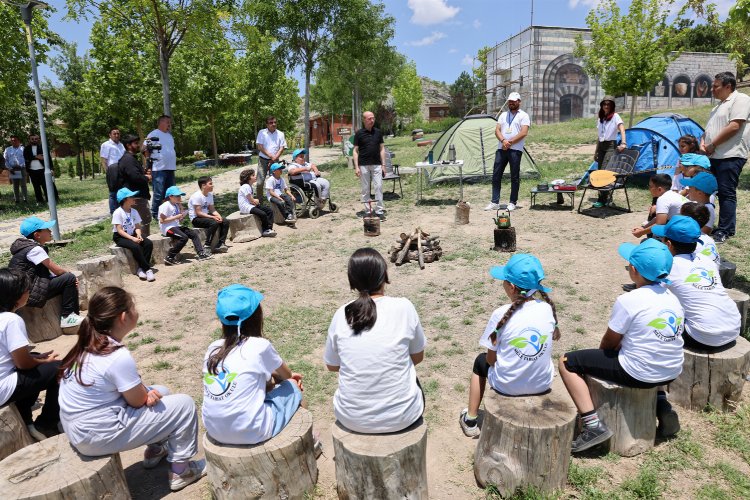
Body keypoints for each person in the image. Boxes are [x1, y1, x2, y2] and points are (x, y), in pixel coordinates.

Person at [58, 287, 205, 492]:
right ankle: (181, 471)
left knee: (162, 390)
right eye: (133, 307)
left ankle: (156, 448)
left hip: (80, 428)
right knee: (185, 405)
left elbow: (132, 393)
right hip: (96, 435)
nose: (137, 310)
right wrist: (145, 396)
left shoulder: (88, 343)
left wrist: (147, 394)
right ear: (124, 317)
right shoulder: (116, 355)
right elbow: (137, 401)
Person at [559, 239, 684, 452]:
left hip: (638, 373)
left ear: (633, 269)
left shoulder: (629, 300)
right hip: (672, 371)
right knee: (654, 347)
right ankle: (662, 403)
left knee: (566, 362)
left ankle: (592, 425)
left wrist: (600, 361)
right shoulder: (673, 298)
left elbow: (609, 341)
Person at [324, 248, 426, 433]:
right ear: (384, 274)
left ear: (352, 280)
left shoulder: (341, 314)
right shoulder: (404, 307)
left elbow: (332, 366)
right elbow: (418, 357)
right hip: (403, 416)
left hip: (351, 417)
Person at [459, 254, 560, 438]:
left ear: (512, 287)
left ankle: (470, 418)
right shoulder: (547, 309)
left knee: (480, 362)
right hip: (543, 383)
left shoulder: (500, 314)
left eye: (504, 281)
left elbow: (490, 359)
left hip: (507, 386)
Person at [202, 285, 306, 445]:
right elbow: (287, 376)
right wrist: (288, 379)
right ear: (256, 316)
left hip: (214, 429)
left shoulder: (213, 348)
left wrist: (272, 379)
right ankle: (309, 441)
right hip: (252, 431)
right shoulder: (260, 345)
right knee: (293, 386)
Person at [651, 216, 740, 352]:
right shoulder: (707, 260)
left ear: (668, 244)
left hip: (703, 337)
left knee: (655, 319)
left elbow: (657, 299)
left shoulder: (669, 267)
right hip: (733, 328)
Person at [0, 268, 62, 441]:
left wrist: (36, 358)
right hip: (2, 388)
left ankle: (26, 419)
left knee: (35, 356)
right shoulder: (11, 320)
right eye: (27, 290)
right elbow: (23, 364)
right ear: (17, 295)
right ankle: (47, 423)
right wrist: (43, 361)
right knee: (62, 367)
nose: (29, 292)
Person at [700, 72, 750, 242]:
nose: (712, 89)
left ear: (728, 86)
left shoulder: (740, 99)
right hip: (714, 155)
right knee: (708, 190)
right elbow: (709, 129)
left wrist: (712, 145)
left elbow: (735, 126)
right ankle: (706, 224)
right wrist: (703, 142)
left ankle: (725, 230)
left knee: (726, 193)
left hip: (730, 155)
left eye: (716, 86)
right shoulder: (718, 106)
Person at [9, 217, 84, 328]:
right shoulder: (35, 249)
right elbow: (57, 270)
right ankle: (68, 317)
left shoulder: (26, 247)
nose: (50, 231)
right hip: (28, 294)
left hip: (26, 289)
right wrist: (70, 276)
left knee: (67, 279)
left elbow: (44, 273)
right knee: (69, 278)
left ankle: (71, 315)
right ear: (37, 235)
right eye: (46, 229)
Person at [485, 92, 530, 212]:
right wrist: (503, 141)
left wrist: (509, 143)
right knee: (496, 175)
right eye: (510, 101)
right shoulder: (503, 115)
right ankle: (495, 202)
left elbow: (523, 132)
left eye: (514, 101)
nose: (511, 103)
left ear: (519, 102)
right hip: (501, 148)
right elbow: (497, 130)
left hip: (515, 149)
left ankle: (512, 202)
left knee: (514, 176)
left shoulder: (524, 115)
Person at [159, 186, 211, 265]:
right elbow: (162, 221)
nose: (179, 197)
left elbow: (176, 217)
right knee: (184, 237)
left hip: (176, 226)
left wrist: (181, 214)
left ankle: (201, 253)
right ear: (170, 196)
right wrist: (177, 217)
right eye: (177, 196)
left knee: (193, 234)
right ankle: (169, 257)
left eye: (180, 196)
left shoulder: (176, 205)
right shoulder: (165, 205)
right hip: (167, 228)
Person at [591, 96, 627, 208]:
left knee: (605, 171)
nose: (606, 106)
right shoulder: (600, 118)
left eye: (608, 104)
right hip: (601, 146)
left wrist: (623, 143)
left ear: (612, 106)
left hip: (611, 145)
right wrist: (596, 151)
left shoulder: (615, 116)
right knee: (599, 171)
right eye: (604, 104)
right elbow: (599, 136)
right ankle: (605, 197)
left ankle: (603, 199)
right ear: (602, 105)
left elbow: (622, 129)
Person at [112, 188, 155, 281]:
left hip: (133, 233)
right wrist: (132, 238)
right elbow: (119, 230)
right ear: (125, 199)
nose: (134, 198)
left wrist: (139, 235)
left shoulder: (134, 211)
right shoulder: (117, 212)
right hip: (121, 237)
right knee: (136, 247)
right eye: (131, 196)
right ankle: (147, 269)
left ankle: (141, 268)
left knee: (148, 243)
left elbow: (138, 226)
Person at [353, 111, 386, 220]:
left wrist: (384, 165)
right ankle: (368, 210)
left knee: (379, 187)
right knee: (365, 189)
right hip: (363, 165)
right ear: (364, 120)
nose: (372, 120)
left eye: (373, 118)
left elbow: (382, 149)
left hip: (377, 164)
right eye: (369, 118)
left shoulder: (378, 132)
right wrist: (356, 167)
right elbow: (355, 151)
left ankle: (379, 210)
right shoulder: (359, 134)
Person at [631, 174, 686, 239]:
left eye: (650, 186)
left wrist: (641, 232)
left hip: (683, 233)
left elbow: (659, 224)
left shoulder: (663, 199)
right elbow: (658, 218)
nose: (649, 189)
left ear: (659, 189)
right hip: (687, 228)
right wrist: (643, 228)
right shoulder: (672, 195)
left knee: (652, 238)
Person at [118, 134, 152, 237]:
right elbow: (135, 177)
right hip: (136, 198)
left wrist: (144, 172)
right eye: (136, 143)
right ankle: (143, 249)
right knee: (142, 224)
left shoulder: (131, 158)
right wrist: (147, 178)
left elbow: (136, 174)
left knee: (144, 223)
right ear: (128, 145)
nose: (138, 145)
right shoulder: (128, 159)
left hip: (138, 196)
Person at [146, 115, 177, 220]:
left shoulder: (169, 135)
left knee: (170, 192)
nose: (169, 124)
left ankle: (168, 211)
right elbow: (144, 148)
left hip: (170, 168)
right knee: (159, 193)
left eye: (170, 122)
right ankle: (155, 213)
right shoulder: (154, 133)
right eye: (168, 122)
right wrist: (148, 163)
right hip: (159, 168)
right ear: (161, 122)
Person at [189, 176, 229, 253]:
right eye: (210, 184)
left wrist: (219, 216)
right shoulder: (196, 196)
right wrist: (213, 217)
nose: (212, 185)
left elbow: (212, 209)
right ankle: (207, 245)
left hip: (205, 216)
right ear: (203, 186)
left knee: (225, 221)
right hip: (196, 219)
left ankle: (221, 243)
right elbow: (198, 213)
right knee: (213, 223)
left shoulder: (209, 195)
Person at [255, 116, 287, 200]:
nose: (273, 124)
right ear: (267, 124)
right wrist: (271, 156)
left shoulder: (280, 134)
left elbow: (282, 147)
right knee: (259, 182)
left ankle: (275, 202)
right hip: (263, 161)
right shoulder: (262, 132)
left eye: (275, 122)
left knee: (275, 182)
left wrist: (274, 158)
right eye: (271, 123)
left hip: (275, 162)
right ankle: (259, 203)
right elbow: (260, 147)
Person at [238, 168, 276, 237]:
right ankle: (265, 230)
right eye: (253, 175)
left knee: (269, 210)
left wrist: (256, 202)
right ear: (248, 178)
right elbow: (251, 200)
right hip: (246, 207)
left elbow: (251, 200)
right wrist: (256, 201)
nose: (255, 176)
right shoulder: (246, 186)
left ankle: (269, 228)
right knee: (263, 214)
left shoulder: (249, 186)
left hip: (250, 205)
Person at [23, 134, 58, 204]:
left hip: (43, 170)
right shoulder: (26, 148)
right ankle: (39, 201)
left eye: (36, 139)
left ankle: (49, 200)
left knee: (46, 186)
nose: (34, 140)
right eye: (32, 139)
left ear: (39, 139)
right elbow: (26, 157)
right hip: (32, 171)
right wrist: (36, 157)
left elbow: (48, 158)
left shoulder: (43, 147)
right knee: (36, 187)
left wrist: (51, 168)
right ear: (29, 140)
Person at [100, 127, 126, 214]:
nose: (116, 135)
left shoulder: (121, 145)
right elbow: (104, 160)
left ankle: (121, 211)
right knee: (113, 193)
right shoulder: (106, 145)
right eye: (114, 134)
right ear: (110, 135)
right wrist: (108, 172)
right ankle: (113, 212)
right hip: (112, 171)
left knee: (122, 191)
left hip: (122, 171)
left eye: (118, 133)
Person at [4, 135, 27, 204]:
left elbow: (26, 159)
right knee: (15, 185)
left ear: (19, 141)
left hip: (22, 169)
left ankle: (25, 199)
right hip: (12, 170)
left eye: (15, 140)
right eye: (12, 140)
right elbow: (5, 160)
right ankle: (17, 200)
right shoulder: (8, 149)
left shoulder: (23, 149)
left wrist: (21, 165)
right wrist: (10, 168)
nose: (13, 142)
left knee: (23, 185)